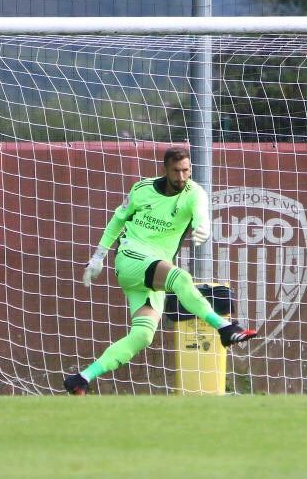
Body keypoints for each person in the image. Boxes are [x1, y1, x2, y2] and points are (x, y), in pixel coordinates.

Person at [64, 146, 257, 395]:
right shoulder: (141, 190)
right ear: (165, 169)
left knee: (142, 336)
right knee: (181, 278)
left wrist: (204, 229)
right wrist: (97, 257)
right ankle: (225, 328)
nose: (181, 177)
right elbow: (117, 220)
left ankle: (80, 378)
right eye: (176, 171)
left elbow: (201, 218)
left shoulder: (195, 194)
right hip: (130, 258)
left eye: (186, 170)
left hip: (150, 276)